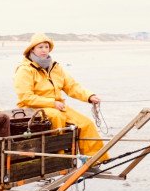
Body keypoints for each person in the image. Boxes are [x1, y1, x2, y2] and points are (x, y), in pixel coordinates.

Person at [13, 33, 109, 162]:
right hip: (32, 108)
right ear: (32, 50)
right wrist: (52, 103)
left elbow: (72, 86)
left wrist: (89, 96)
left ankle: (95, 160)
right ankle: (60, 157)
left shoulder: (55, 67)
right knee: (57, 118)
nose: (44, 50)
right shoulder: (25, 69)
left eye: (46, 47)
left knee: (86, 124)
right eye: (40, 47)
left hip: (58, 106)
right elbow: (26, 97)